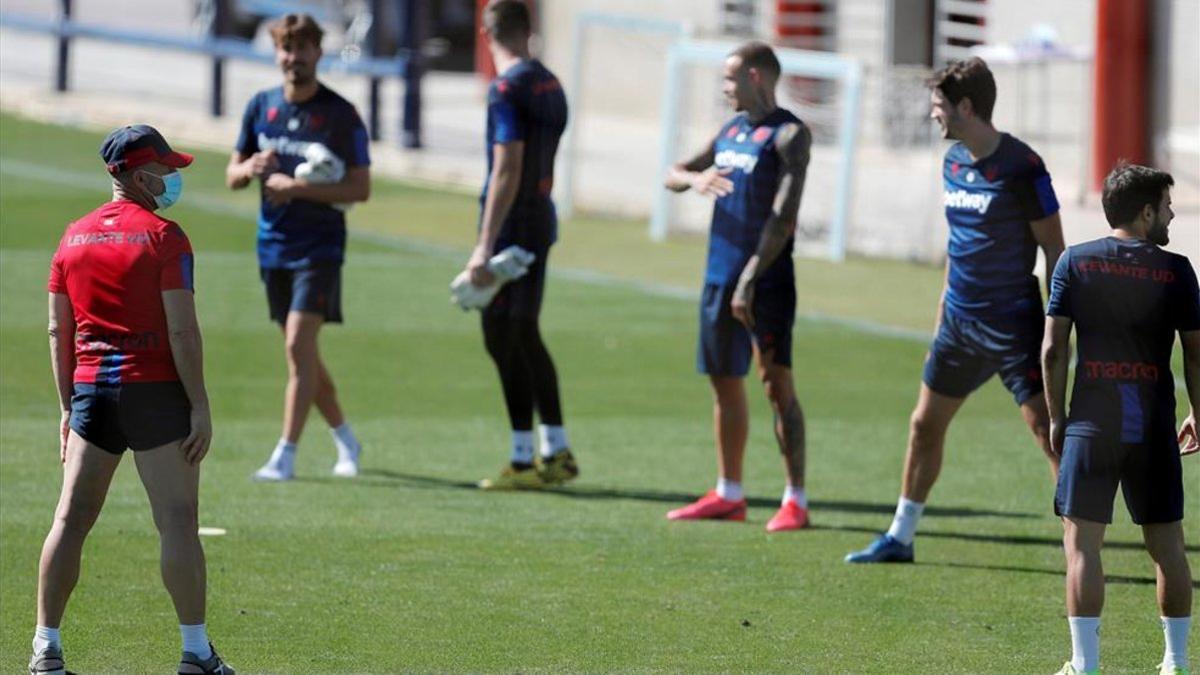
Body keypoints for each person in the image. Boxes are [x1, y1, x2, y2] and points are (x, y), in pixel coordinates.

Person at [32, 125, 234, 675]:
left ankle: (45, 648)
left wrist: (67, 408)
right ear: (140, 174)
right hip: (156, 397)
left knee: (70, 520)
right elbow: (183, 332)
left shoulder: (71, 238)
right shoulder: (166, 238)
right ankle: (195, 653)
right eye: (165, 170)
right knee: (176, 522)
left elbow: (59, 331)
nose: (171, 178)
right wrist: (199, 405)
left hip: (92, 394)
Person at [846, 57, 1066, 562]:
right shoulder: (952, 163)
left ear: (967, 106)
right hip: (959, 326)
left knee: (1047, 434)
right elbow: (957, 242)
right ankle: (900, 536)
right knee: (924, 425)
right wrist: (944, 306)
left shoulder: (1023, 166)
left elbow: (1055, 251)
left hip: (1014, 327)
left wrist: (1057, 329)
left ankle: (1080, 541)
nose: (933, 116)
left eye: (940, 106)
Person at [1043, 163, 1196, 675]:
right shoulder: (1177, 271)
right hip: (1151, 424)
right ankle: (1175, 663)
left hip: (1092, 422)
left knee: (1082, 544)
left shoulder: (1075, 262)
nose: (1172, 214)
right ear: (1147, 211)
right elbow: (1196, 355)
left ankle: (1084, 665)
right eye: (1168, 206)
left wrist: (1055, 416)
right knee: (1167, 545)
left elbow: (1051, 351)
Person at [662, 41, 813, 532]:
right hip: (717, 275)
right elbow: (673, 172)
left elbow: (782, 218)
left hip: (764, 282)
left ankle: (795, 499)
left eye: (729, 79)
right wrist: (695, 179)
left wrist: (749, 278)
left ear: (755, 77)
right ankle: (729, 492)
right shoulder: (729, 131)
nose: (723, 88)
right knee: (724, 381)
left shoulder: (790, 135)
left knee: (776, 386)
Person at [226, 13, 372, 481]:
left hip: (320, 247)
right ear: (277, 54)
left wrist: (296, 188)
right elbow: (231, 176)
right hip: (272, 245)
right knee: (302, 355)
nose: (294, 58)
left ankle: (285, 454)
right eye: (286, 49)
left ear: (318, 53)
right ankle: (346, 438)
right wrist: (251, 168)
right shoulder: (260, 106)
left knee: (296, 343)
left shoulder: (341, 115)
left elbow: (360, 188)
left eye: (303, 49)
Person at [463, 0, 577, 490]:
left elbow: (507, 165)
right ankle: (554, 449)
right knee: (521, 330)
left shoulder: (505, 89)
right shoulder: (551, 83)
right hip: (540, 218)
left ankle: (525, 457)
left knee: (503, 331)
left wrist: (484, 244)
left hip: (512, 225)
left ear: (488, 34)